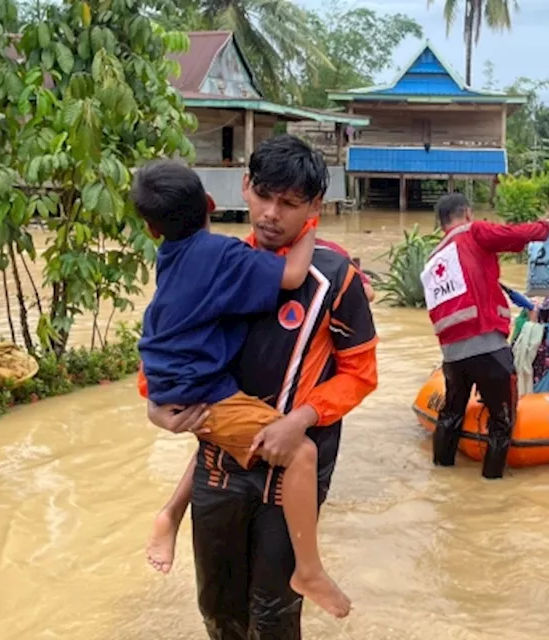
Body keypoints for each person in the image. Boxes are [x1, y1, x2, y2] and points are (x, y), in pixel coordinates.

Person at [143, 135, 378, 639]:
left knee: (273, 613)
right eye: (263, 196)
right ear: (245, 188)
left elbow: (361, 373)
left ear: (315, 205)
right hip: (218, 467)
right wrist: (156, 410)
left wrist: (302, 418)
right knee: (218, 607)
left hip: (287, 474)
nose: (272, 214)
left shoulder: (335, 278)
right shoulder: (214, 261)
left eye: (290, 203)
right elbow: (165, 342)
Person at [425, 192, 549, 479]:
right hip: (488, 347)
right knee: (502, 420)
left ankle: (441, 476)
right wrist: (546, 226)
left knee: (451, 415)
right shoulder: (473, 231)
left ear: (441, 225)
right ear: (467, 214)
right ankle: (491, 485)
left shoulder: (436, 257)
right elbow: (511, 234)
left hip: (452, 356)